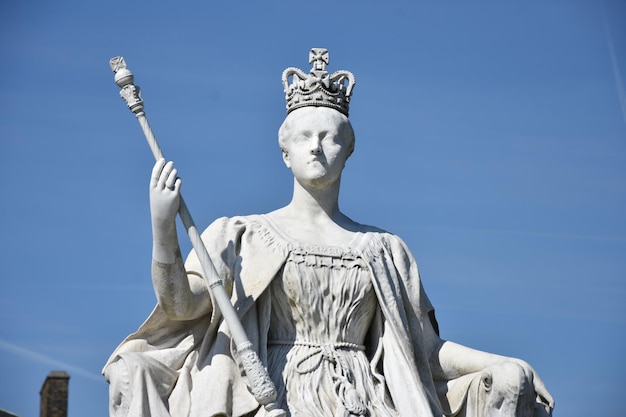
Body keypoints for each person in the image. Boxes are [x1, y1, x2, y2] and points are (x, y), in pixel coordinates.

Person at [103, 49, 554, 417]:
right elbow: (183, 306)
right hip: (272, 396)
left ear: (349, 150)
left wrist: (503, 364)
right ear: (284, 153)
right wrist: (164, 227)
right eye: (303, 137)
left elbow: (426, 352)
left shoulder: (384, 250)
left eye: (330, 136)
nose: (316, 147)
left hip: (366, 401)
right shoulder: (241, 236)